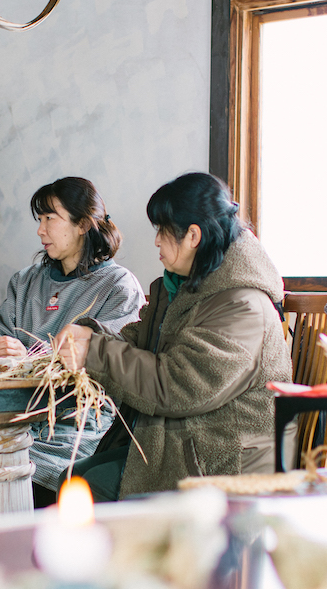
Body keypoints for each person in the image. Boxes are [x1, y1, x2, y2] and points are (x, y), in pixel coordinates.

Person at [57, 172, 293, 502]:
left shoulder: (242, 305)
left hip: (222, 460)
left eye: (162, 231)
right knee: (73, 477)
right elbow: (141, 341)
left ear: (193, 236)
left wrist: (93, 352)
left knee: (84, 487)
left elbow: (178, 386)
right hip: (183, 442)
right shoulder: (185, 287)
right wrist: (91, 336)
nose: (156, 241)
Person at [0, 177, 146, 505]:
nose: (40, 230)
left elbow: (107, 370)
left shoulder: (118, 287)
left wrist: (29, 357)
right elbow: (2, 336)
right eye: (39, 220)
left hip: (73, 431)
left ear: (82, 225)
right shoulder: (26, 280)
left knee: (3, 479)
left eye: (50, 219)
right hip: (11, 423)